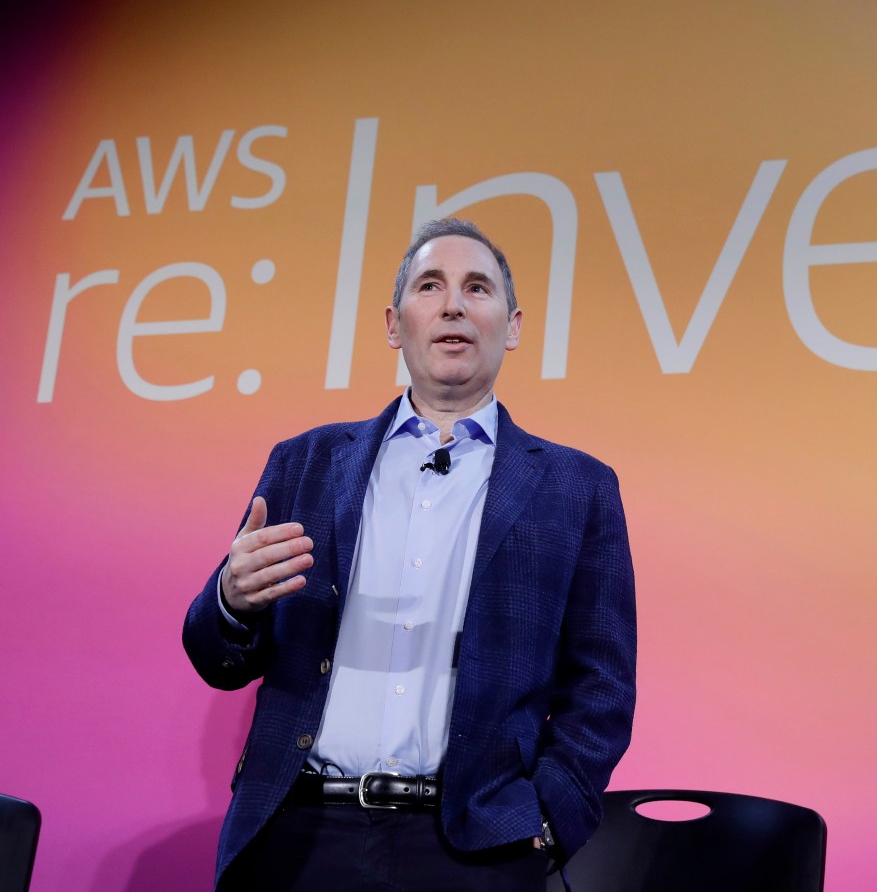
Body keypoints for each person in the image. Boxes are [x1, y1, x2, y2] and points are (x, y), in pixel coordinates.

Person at [183, 218, 637, 891]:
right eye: (430, 286)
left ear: (512, 327)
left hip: (474, 851)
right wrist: (230, 599)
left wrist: (545, 819)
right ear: (395, 325)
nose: (453, 305)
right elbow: (216, 657)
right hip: (296, 836)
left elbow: (602, 686)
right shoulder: (305, 464)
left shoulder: (578, 488)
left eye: (477, 288)